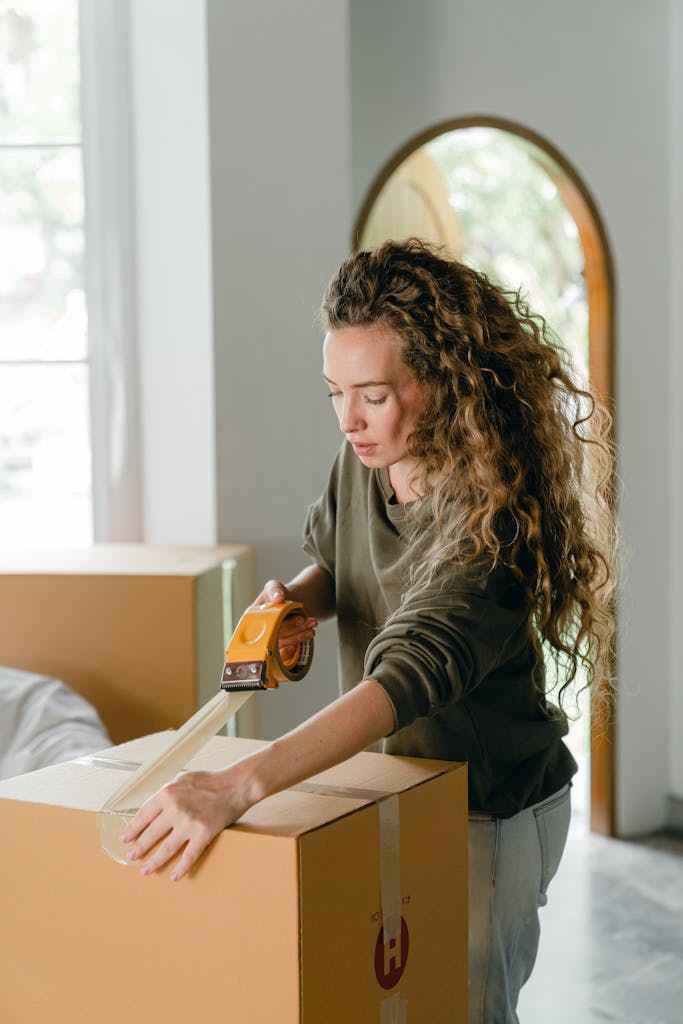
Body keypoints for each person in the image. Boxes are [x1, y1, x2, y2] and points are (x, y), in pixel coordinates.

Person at [122, 239, 616, 1022]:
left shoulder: (492, 518)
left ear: (445, 384)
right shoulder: (367, 456)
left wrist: (236, 783)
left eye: (373, 395)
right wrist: (298, 603)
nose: (349, 419)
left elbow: (407, 676)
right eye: (334, 392)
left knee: (466, 1012)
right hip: (400, 785)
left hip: (488, 807)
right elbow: (335, 558)